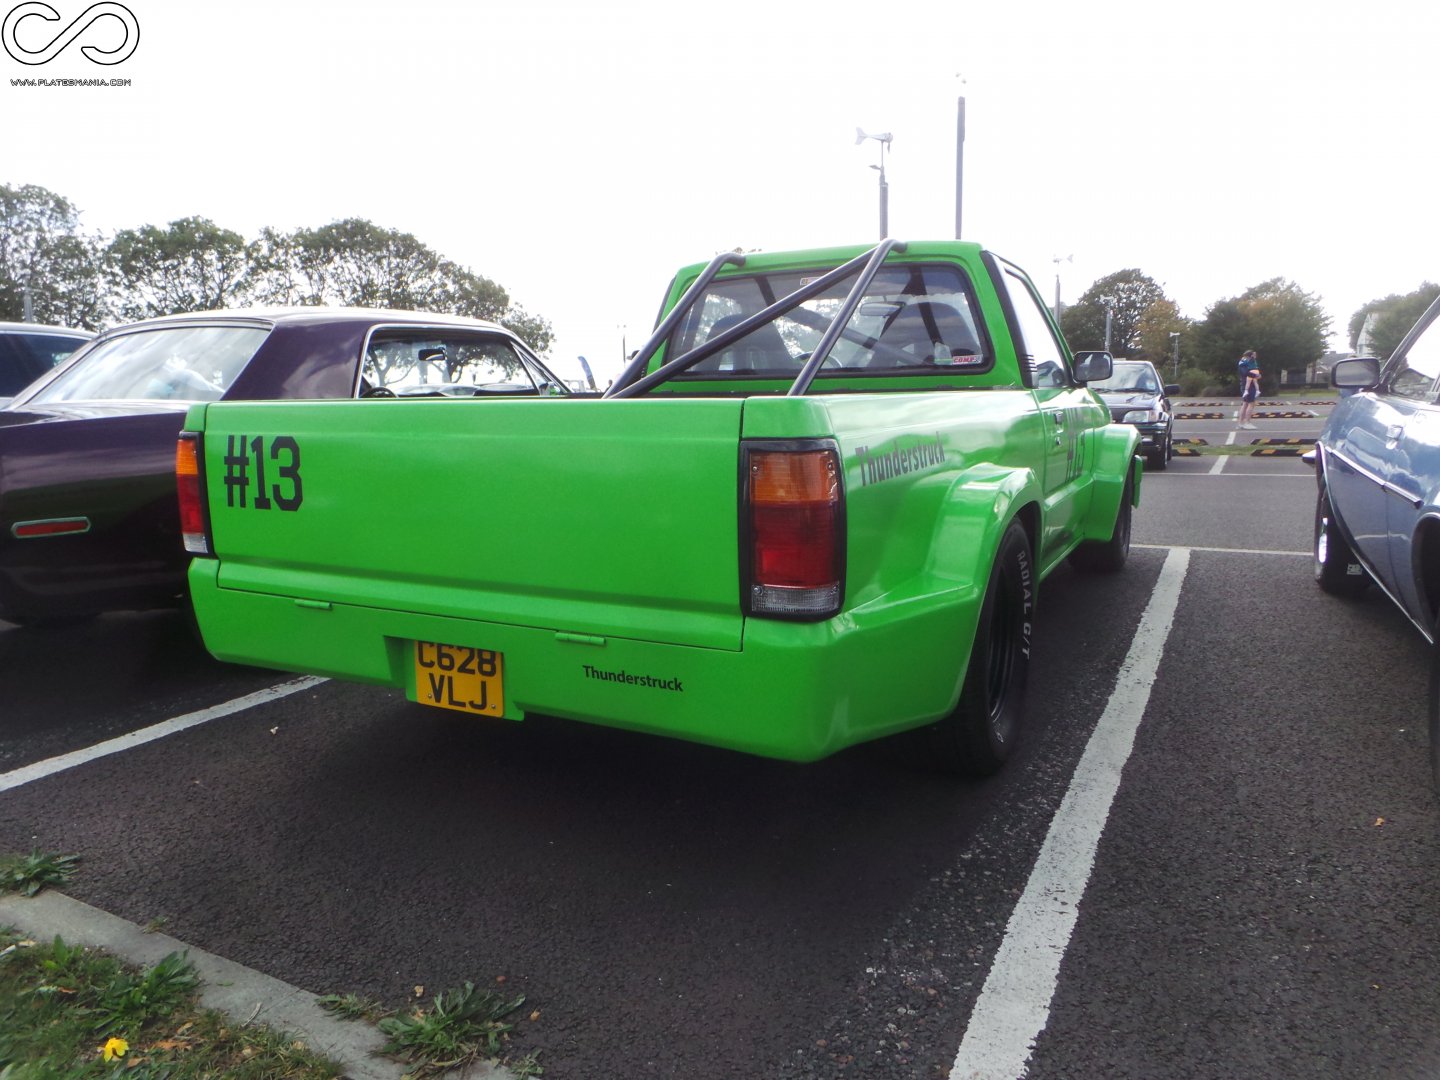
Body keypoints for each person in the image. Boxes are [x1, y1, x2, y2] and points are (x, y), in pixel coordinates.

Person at [1236, 349, 1261, 429]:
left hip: (1246, 384)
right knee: (1251, 403)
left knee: (1245, 404)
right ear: (1250, 356)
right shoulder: (1244, 362)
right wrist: (1255, 376)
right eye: (1252, 355)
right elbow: (1245, 373)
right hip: (1248, 385)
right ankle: (1247, 422)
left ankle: (1241, 423)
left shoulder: (1244, 361)